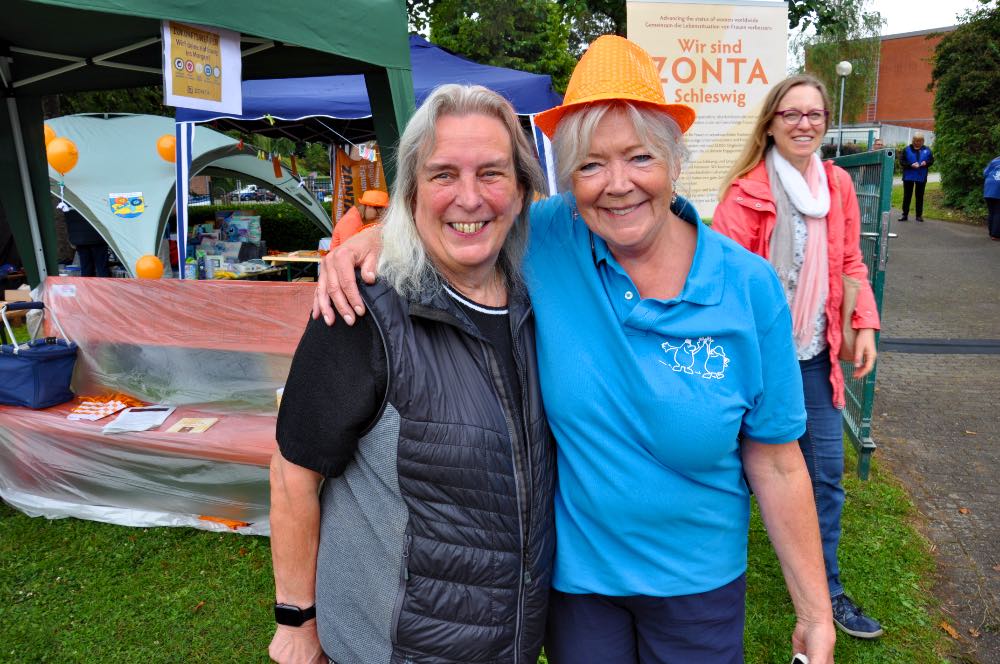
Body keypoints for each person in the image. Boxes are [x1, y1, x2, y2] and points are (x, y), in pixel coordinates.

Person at [315, 36, 836, 664]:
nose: (618, 186)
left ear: (674, 160)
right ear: (567, 179)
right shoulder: (549, 237)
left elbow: (778, 464)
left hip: (700, 584)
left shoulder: (748, 288)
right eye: (589, 165)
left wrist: (814, 612)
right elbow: (462, 214)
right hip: (579, 586)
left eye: (640, 157)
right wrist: (372, 240)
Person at [268, 85, 554, 664]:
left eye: (492, 173)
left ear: (522, 191)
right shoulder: (361, 310)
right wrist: (296, 621)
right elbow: (292, 473)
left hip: (511, 644)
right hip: (393, 647)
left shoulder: (540, 296)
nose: (469, 197)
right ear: (412, 192)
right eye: (443, 174)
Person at [712, 74, 883, 641]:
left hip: (814, 357)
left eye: (814, 114)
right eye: (791, 114)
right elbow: (727, 289)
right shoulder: (744, 195)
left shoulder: (837, 186)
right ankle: (713, 581)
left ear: (826, 123)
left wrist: (864, 324)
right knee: (732, 475)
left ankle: (826, 589)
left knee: (826, 479)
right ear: (771, 123)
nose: (804, 124)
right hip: (757, 363)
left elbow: (851, 262)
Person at [63, 209, 109, 277]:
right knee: (101, 267)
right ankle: (104, 283)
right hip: (98, 236)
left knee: (85, 267)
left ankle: (87, 283)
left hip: (79, 238)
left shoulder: (68, 203)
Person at [899, 132, 933, 222]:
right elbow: (902, 161)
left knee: (919, 196)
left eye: (920, 141)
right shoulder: (906, 149)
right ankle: (904, 215)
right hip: (908, 176)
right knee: (907, 196)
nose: (918, 143)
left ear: (923, 141)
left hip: (921, 176)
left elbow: (931, 160)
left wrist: (926, 163)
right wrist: (911, 165)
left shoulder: (927, 150)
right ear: (913, 140)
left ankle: (919, 215)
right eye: (916, 141)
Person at [984, 154, 1000, 241]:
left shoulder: (994, 161)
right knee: (998, 212)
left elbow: (985, 173)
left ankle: (991, 233)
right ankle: (996, 235)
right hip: (998, 189)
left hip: (989, 188)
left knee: (992, 212)